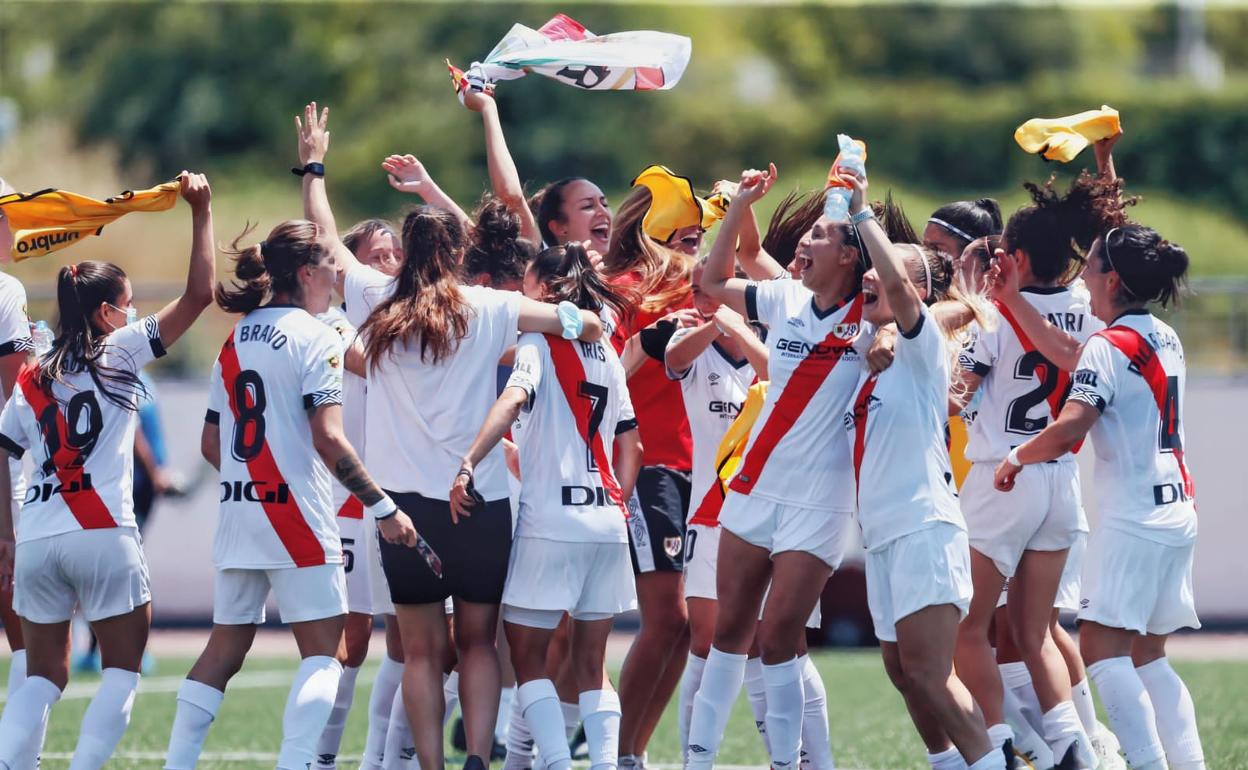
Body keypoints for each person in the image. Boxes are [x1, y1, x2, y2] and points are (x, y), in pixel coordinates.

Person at [296, 102, 604, 770]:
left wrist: (314, 166)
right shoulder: (489, 306)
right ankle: (478, 763)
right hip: (481, 503)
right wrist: (584, 319)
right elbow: (576, 323)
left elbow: (324, 239)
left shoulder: (380, 302)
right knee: (476, 646)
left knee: (418, 650)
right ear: (459, 255)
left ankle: (430, 764)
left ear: (405, 252)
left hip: (401, 509)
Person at [0, 172, 215, 770]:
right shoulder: (120, 351)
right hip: (104, 531)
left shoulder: (31, 374)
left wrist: (7, 532)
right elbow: (200, 295)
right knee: (121, 674)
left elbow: (4, 449)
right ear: (105, 313)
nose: (135, 312)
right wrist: (201, 211)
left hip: (39, 535)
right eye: (127, 304)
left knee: (41, 679)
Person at [992, 224, 1206, 770]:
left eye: (1089, 265)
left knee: (1102, 655)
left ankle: (1147, 764)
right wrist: (1013, 299)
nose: (1081, 275)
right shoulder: (1163, 334)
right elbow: (1071, 356)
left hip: (1135, 516)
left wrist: (1016, 458)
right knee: (1150, 657)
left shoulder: (1107, 346)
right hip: (1177, 505)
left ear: (1112, 278)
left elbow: (1071, 426)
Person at [686, 164, 865, 770]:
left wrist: (859, 205)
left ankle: (788, 764)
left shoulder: (874, 317)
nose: (805, 245)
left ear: (848, 255)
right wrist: (738, 203)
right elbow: (712, 280)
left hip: (819, 500)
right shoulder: (785, 296)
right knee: (725, 635)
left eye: (819, 236)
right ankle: (698, 761)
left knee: (780, 638)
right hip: (755, 485)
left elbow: (923, 300)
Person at [954, 171, 1125, 770]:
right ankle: (1072, 744)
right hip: (1059, 481)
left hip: (1003, 474)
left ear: (1016, 257)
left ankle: (1000, 744)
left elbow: (958, 391)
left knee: (965, 629)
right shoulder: (1087, 306)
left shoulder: (996, 316)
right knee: (1036, 632)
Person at [451, 242, 642, 770]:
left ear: (549, 290)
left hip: (551, 519)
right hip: (606, 519)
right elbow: (633, 444)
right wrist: (616, 499)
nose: (522, 294)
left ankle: (555, 762)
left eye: (529, 284)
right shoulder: (606, 350)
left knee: (528, 657)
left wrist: (470, 459)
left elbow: (514, 399)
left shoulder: (538, 341)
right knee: (592, 663)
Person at [838, 170, 1004, 770]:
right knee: (902, 671)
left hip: (923, 526)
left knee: (931, 674)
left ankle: (991, 762)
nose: (870, 279)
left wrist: (863, 217)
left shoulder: (918, 342)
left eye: (886, 273)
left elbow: (916, 308)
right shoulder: (869, 339)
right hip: (885, 533)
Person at [664, 260, 767, 755]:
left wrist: (742, 330)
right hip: (710, 513)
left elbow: (779, 375)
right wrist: (711, 325)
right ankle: (694, 756)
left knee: (771, 646)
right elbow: (673, 359)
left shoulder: (767, 345)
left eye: (718, 290)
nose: (707, 298)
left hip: (770, 513)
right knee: (704, 642)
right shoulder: (693, 343)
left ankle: (789, 756)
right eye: (700, 291)